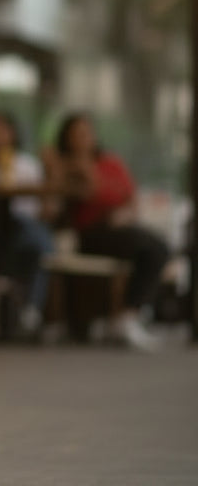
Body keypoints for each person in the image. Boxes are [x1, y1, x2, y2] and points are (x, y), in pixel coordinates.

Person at [45, 112, 167, 350]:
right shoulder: (63, 166)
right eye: (77, 134)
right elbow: (87, 192)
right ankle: (124, 318)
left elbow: (131, 198)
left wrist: (124, 214)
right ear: (66, 138)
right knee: (150, 247)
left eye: (87, 133)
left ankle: (128, 315)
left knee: (157, 247)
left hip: (119, 228)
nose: (83, 139)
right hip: (89, 233)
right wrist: (75, 165)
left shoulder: (111, 162)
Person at [0, 110, 54, 337]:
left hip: (24, 224)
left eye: (0, 131)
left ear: (12, 134)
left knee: (39, 245)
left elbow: (44, 205)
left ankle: (30, 309)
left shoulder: (28, 165)